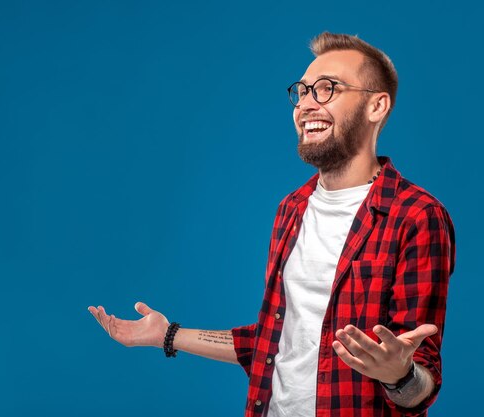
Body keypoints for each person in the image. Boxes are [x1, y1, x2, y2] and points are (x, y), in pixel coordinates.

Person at [88, 32, 456, 417]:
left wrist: (399, 375)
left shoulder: (415, 216)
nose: (306, 105)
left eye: (327, 89)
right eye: (302, 91)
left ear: (376, 106)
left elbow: (421, 383)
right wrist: (166, 334)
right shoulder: (291, 209)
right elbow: (277, 341)